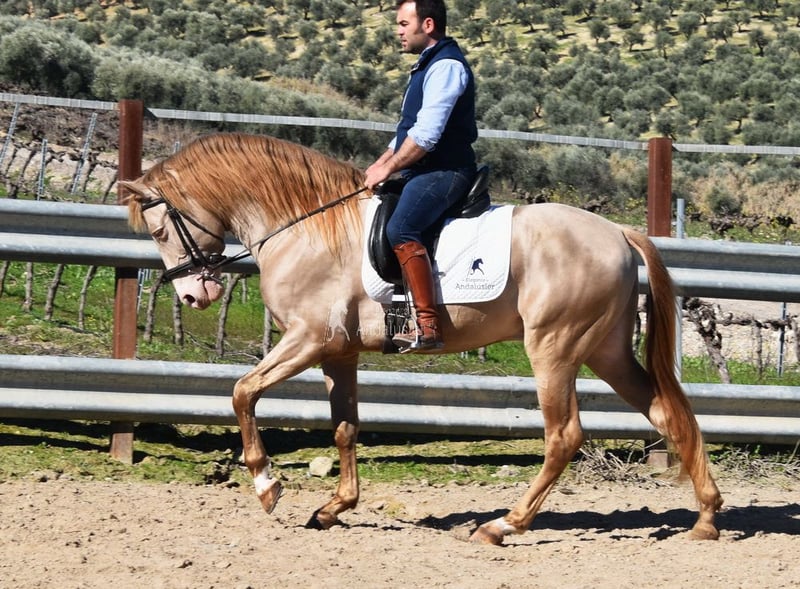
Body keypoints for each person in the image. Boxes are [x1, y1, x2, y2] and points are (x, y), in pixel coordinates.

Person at [364, 0, 477, 353]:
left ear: (427, 25)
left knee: (402, 228)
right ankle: (396, 322)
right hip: (424, 169)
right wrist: (379, 164)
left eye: (403, 24)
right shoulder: (427, 65)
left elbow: (426, 136)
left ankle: (428, 325)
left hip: (447, 170)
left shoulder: (446, 66)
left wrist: (389, 168)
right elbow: (407, 133)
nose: (398, 31)